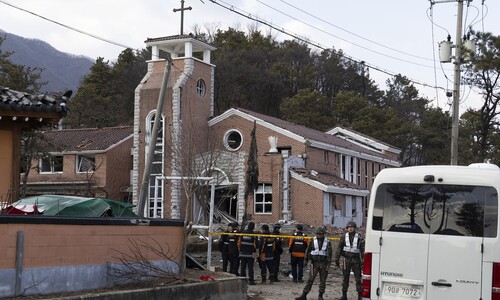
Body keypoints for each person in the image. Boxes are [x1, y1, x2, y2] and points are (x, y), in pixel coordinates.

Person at [296, 227, 332, 300]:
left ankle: (320, 296)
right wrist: (306, 261)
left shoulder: (327, 242)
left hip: (323, 264)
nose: (319, 235)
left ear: (323, 234)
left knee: (323, 280)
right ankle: (304, 295)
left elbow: (330, 254)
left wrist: (328, 265)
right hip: (314, 263)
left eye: (320, 234)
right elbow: (308, 251)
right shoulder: (313, 241)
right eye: (318, 234)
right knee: (310, 279)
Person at [335, 221, 365, 300]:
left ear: (354, 228)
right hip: (346, 260)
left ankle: (360, 295)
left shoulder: (359, 237)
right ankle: (344, 295)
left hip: (356, 260)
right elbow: (339, 248)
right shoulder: (344, 237)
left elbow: (362, 250)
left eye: (352, 227)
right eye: (349, 227)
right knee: (345, 278)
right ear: (347, 228)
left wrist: (363, 261)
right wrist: (337, 259)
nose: (350, 228)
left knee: (358, 278)